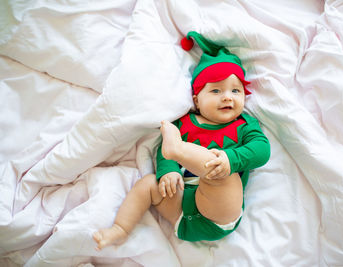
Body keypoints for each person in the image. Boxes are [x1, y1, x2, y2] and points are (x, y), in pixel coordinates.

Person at [93, 31, 271, 249]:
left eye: (236, 90)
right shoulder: (184, 123)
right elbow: (163, 152)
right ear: (196, 98)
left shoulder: (244, 124)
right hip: (180, 210)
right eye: (216, 90)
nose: (227, 96)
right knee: (148, 184)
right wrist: (167, 170)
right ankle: (120, 229)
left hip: (217, 215)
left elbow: (262, 150)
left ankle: (183, 151)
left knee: (220, 173)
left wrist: (231, 159)